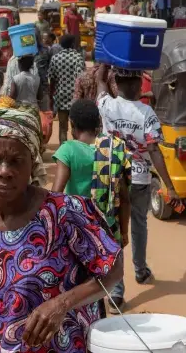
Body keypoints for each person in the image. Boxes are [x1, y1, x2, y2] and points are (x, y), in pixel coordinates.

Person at [0, 107, 124, 352]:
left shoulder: (65, 212)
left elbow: (114, 268)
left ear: (31, 164)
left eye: (16, 161)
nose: (4, 171)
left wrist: (62, 304)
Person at [96, 65, 179, 285]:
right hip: (138, 178)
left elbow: (100, 82)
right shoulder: (146, 114)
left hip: (112, 178)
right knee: (139, 224)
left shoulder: (107, 105)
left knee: (113, 228)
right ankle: (140, 270)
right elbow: (153, 150)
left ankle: (116, 288)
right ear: (137, 85)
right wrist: (169, 186)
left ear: (119, 84)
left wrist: (106, 62)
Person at [52, 99, 131, 310]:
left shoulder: (68, 150)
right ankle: (115, 299)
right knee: (106, 279)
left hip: (78, 231)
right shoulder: (113, 150)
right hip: (108, 228)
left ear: (72, 126)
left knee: (83, 289)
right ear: (98, 123)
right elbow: (124, 197)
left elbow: (56, 193)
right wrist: (123, 232)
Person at [49, 34, 85, 143]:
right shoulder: (78, 57)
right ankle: (77, 150)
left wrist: (51, 97)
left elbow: (52, 79)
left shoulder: (55, 58)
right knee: (76, 127)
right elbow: (81, 78)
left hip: (61, 98)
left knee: (62, 127)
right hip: (75, 97)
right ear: (73, 44)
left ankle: (63, 151)